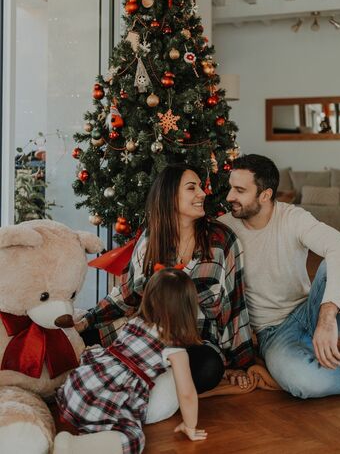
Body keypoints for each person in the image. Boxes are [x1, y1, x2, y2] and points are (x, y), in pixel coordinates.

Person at [77, 164, 254, 402]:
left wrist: (240, 363)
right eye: (192, 188)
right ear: (170, 196)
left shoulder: (222, 240)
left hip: (196, 339)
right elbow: (129, 294)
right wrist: (89, 319)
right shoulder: (151, 239)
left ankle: (134, 380)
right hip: (149, 335)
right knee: (80, 340)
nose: (202, 193)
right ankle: (153, 385)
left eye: (200, 187)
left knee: (209, 369)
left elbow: (234, 303)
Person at [220, 153, 340, 399]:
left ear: (265, 195)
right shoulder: (225, 227)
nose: (230, 197)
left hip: (309, 311)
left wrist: (327, 317)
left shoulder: (293, 218)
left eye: (239, 190)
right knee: (302, 382)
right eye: (231, 188)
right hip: (273, 335)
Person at [54, 269, 207, 454]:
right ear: (188, 309)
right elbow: (187, 393)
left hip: (79, 387)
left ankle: (82, 435)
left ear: (149, 298)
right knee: (134, 440)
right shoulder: (175, 349)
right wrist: (190, 426)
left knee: (103, 412)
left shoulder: (135, 322)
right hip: (106, 401)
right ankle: (77, 447)